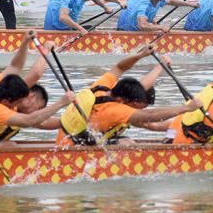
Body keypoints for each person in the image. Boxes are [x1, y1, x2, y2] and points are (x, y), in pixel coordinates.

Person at [57, 48, 201, 146]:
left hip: (69, 137)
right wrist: (186, 108)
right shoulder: (114, 110)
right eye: (136, 106)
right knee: (129, 144)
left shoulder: (104, 88)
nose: (137, 109)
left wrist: (152, 62)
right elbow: (149, 116)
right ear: (122, 101)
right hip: (74, 147)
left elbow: (120, 68)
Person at [117, 0, 198, 32]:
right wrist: (161, 27)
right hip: (130, 30)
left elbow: (172, 1)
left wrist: (189, 4)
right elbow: (142, 25)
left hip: (135, 25)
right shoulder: (144, 5)